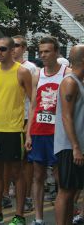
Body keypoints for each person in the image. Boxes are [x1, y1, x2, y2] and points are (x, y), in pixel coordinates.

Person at [0, 37, 32, 225]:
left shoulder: (23, 72)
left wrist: (28, 130)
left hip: (14, 130)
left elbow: (33, 102)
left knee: (16, 173)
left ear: (12, 51)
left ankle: (19, 215)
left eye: (3, 49)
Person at [25, 36, 70, 225]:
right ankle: (38, 218)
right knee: (38, 175)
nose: (43, 55)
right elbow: (33, 106)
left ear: (57, 52)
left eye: (47, 51)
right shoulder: (38, 75)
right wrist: (28, 133)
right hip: (39, 131)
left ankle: (65, 216)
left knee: (62, 178)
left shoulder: (67, 74)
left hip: (59, 134)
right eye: (41, 51)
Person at [53, 45, 84, 225]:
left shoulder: (79, 82)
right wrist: (75, 147)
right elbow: (66, 116)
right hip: (68, 147)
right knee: (65, 191)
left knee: (72, 191)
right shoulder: (69, 82)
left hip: (76, 146)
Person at [12, 35, 38, 213]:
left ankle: (27, 195)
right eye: (10, 45)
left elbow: (33, 98)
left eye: (17, 46)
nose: (13, 48)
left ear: (24, 48)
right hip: (9, 118)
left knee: (26, 160)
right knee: (10, 160)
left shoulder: (30, 68)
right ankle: (11, 192)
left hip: (26, 118)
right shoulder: (2, 67)